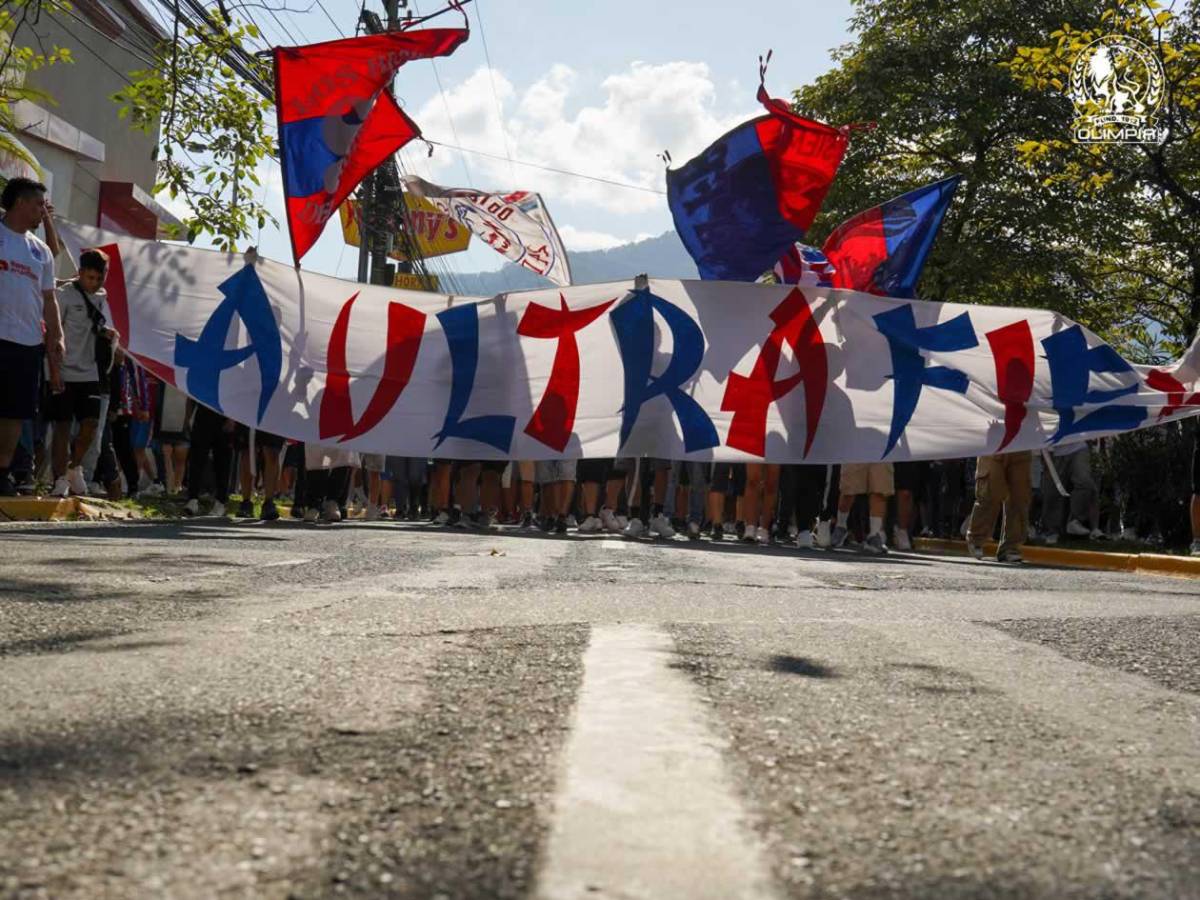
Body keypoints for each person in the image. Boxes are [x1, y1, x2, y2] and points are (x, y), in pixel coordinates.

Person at [0, 177, 64, 496]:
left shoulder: (41, 252)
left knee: (15, 412)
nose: (44, 211)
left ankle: (3, 473)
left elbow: (49, 298)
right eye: (39, 205)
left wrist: (56, 336)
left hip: (26, 343)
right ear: (20, 203)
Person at [46, 249, 117, 498]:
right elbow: (53, 333)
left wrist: (106, 333)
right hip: (64, 370)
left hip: (90, 373)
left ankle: (74, 468)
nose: (95, 283)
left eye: (99, 278)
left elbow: (99, 324)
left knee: (90, 426)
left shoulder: (101, 296)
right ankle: (59, 480)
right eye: (90, 278)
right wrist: (54, 371)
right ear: (80, 273)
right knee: (62, 428)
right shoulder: (64, 296)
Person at [966, 451, 1033, 563]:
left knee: (1019, 497)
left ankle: (1010, 547)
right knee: (990, 493)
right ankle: (976, 539)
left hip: (1021, 446)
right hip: (994, 446)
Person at [831, 462, 893, 554]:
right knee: (848, 490)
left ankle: (874, 535)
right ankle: (841, 526)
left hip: (880, 450)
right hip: (855, 450)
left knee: (879, 491)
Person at [1041, 442, 1096, 543]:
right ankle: (1052, 530)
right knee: (1053, 491)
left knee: (1084, 482)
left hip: (1078, 446)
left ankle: (1076, 521)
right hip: (1052, 449)